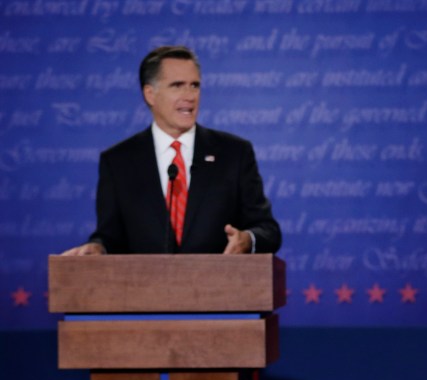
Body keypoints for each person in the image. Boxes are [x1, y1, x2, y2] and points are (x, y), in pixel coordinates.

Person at [63, 46, 281, 255]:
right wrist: (98, 248)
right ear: (150, 94)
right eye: (177, 85)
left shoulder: (234, 153)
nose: (190, 96)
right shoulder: (118, 161)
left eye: (194, 85)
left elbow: (268, 231)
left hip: (218, 287)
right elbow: (110, 237)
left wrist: (247, 240)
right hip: (144, 289)